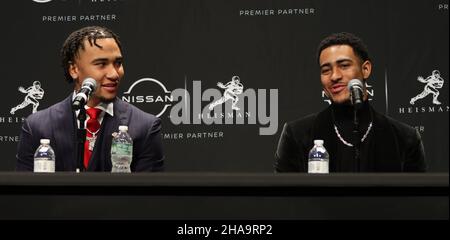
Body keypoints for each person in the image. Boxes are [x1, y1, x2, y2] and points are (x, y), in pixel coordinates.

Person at [16, 26, 164, 172]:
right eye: (101, 64)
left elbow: (148, 195)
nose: (114, 74)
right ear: (74, 69)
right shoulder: (37, 127)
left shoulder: (145, 127)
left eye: (118, 63)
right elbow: (26, 194)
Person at [274, 32, 426, 172]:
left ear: (365, 69)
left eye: (344, 65)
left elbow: (417, 200)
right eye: (326, 70)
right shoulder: (296, 134)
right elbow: (284, 199)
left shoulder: (405, 138)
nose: (334, 76)